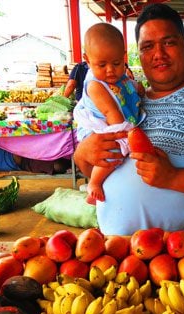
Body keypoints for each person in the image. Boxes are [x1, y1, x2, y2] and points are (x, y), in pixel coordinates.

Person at [72, 3, 184, 235]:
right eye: (148, 46)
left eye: (168, 43)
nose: (158, 54)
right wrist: (83, 155)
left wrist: (173, 177)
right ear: (137, 54)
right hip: (114, 251)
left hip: (177, 256)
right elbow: (96, 169)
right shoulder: (129, 100)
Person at [73, 23, 144, 204]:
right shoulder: (96, 85)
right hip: (105, 128)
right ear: (87, 60)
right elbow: (111, 113)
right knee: (114, 153)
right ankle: (94, 183)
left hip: (115, 124)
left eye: (116, 63)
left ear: (123, 56)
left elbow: (127, 87)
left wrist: (138, 90)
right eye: (102, 64)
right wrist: (126, 137)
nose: (110, 70)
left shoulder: (120, 76)